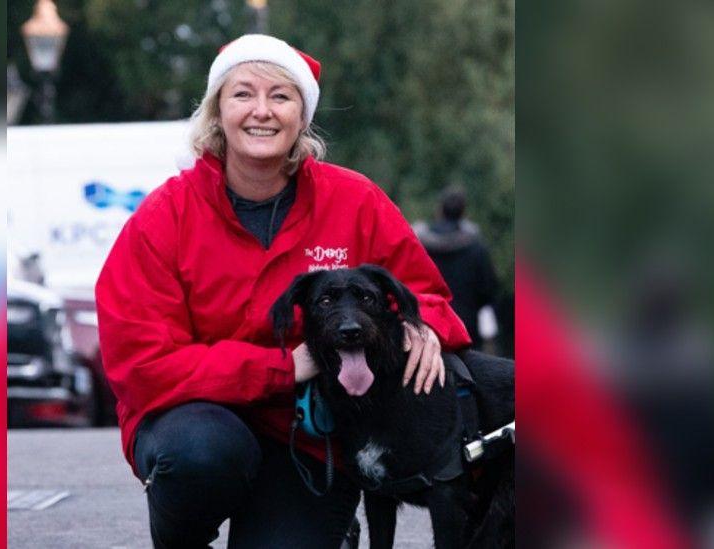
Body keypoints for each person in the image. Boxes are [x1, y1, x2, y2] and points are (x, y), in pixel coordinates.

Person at [96, 34, 471, 548]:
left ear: (302, 116)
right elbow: (140, 364)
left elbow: (428, 295)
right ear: (216, 112)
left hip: (312, 441)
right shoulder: (165, 217)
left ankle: (330, 527)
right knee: (201, 456)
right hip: (197, 425)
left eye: (280, 96)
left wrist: (422, 324)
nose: (262, 111)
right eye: (243, 94)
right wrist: (278, 369)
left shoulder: (355, 201)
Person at [415, 185, 500, 348]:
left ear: (439, 210)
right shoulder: (476, 247)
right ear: (463, 212)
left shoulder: (421, 245)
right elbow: (488, 289)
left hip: (430, 323)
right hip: (467, 325)